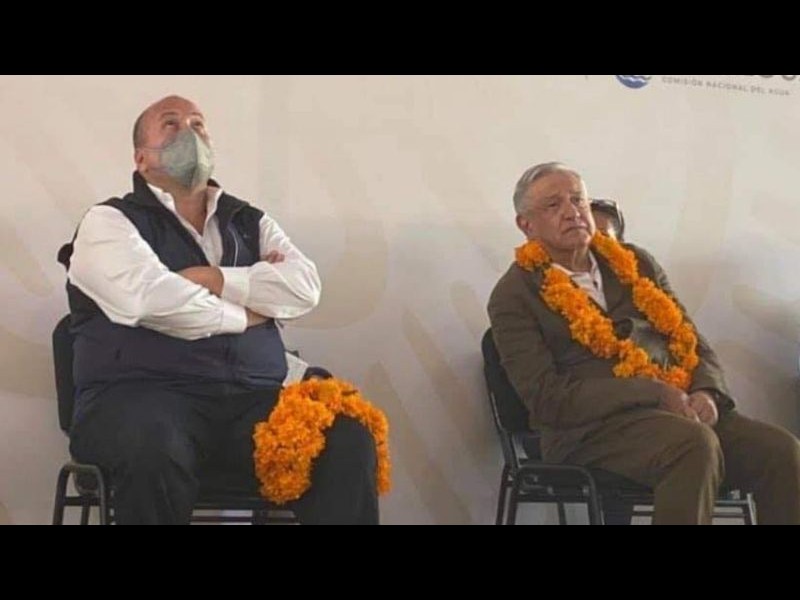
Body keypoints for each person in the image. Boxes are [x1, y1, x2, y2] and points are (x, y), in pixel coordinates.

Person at [61, 95, 378, 525]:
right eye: (170, 124)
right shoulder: (108, 222)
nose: (189, 133)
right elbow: (152, 300)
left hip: (250, 401)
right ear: (141, 159)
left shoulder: (248, 220)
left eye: (198, 124)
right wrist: (249, 312)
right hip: (140, 398)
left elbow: (304, 288)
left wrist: (213, 279)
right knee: (155, 443)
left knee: (346, 438)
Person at [488, 161, 800, 524]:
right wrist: (651, 393)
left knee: (781, 451)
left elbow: (693, 342)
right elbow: (546, 398)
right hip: (588, 432)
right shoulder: (513, 295)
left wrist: (707, 393)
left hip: (678, 410)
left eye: (578, 200)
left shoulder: (636, 262)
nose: (572, 212)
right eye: (553, 205)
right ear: (525, 225)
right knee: (691, 445)